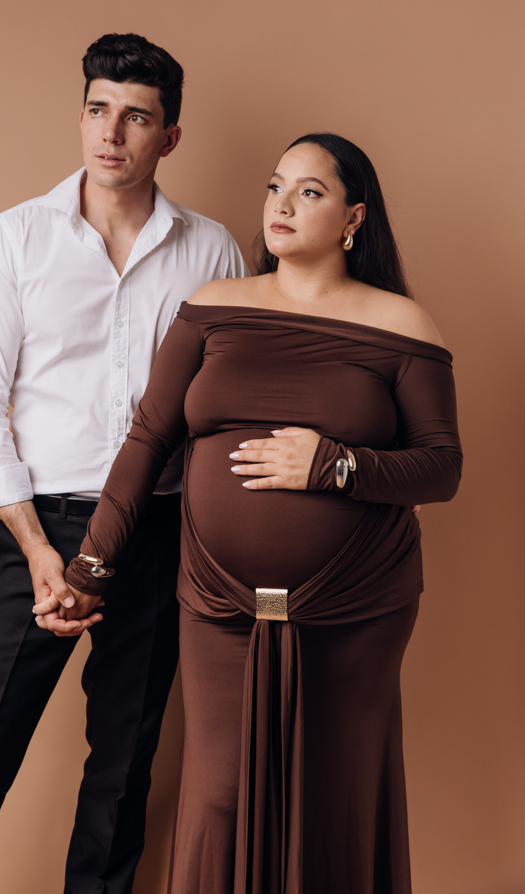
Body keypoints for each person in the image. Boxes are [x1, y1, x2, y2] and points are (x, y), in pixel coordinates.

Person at [36, 133, 463, 894]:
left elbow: (441, 466)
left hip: (355, 605)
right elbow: (148, 440)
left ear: (353, 218)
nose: (281, 205)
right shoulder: (212, 307)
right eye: (275, 187)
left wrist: (335, 465)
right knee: (218, 795)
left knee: (331, 798)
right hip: (218, 600)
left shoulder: (402, 325)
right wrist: (89, 568)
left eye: (309, 192)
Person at [0, 33, 253, 894]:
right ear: (81, 115)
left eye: (136, 117)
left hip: (159, 534)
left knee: (124, 772)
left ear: (169, 136)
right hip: (42, 528)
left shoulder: (211, 253)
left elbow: (226, 408)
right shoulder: (16, 237)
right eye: (97, 110)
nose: (111, 133)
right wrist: (36, 550)